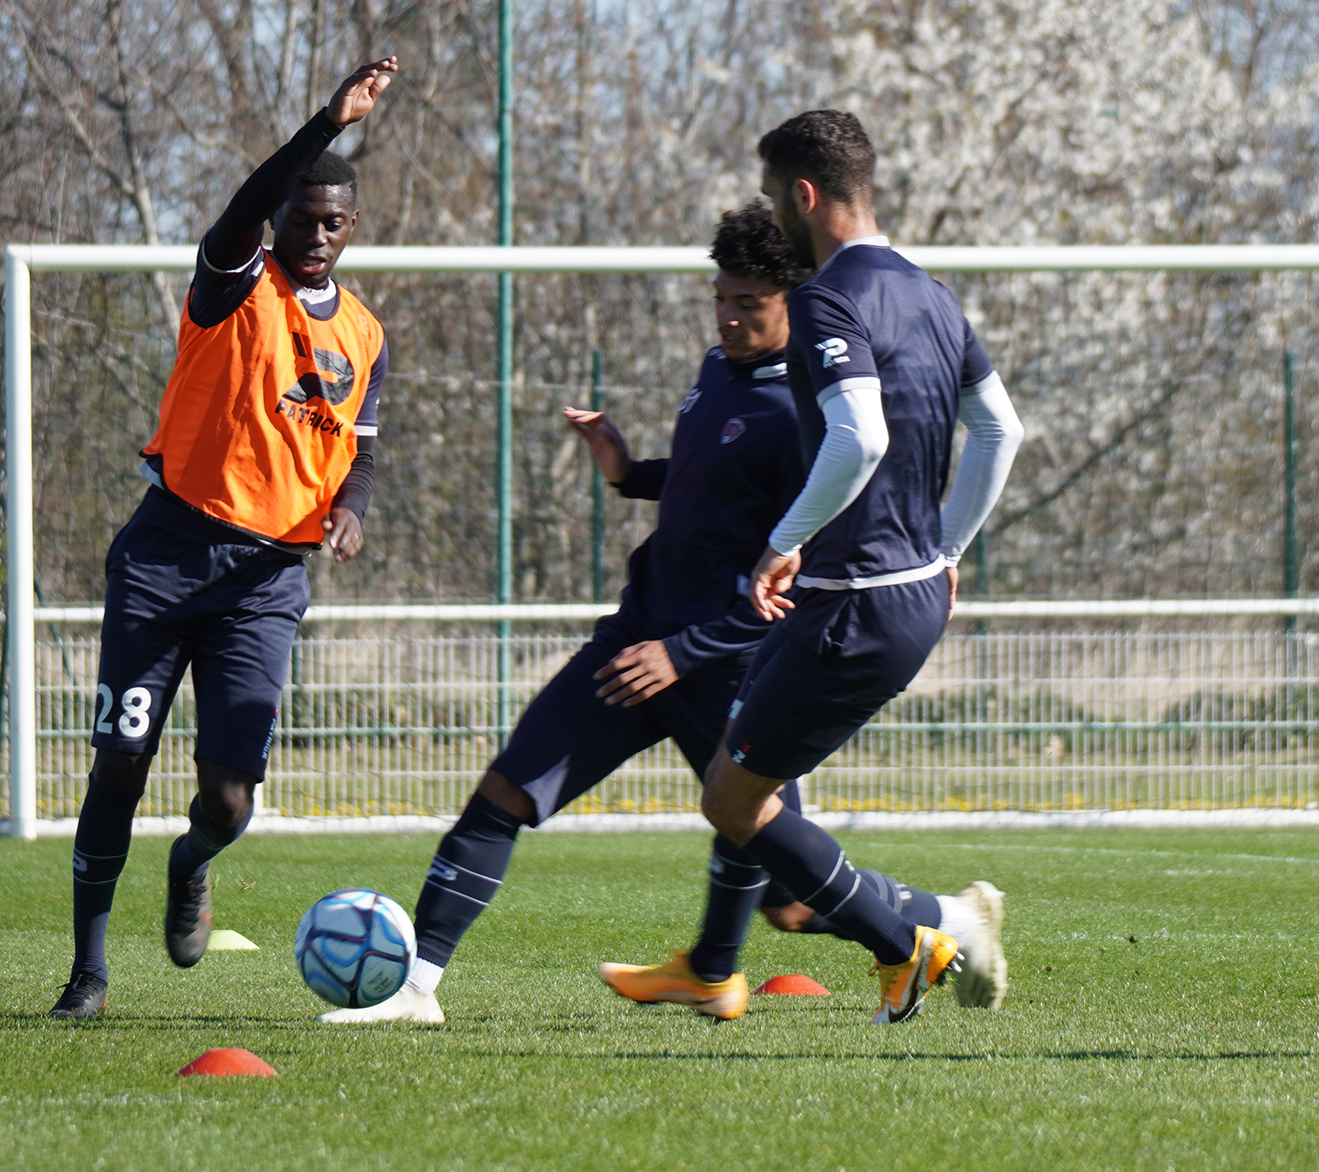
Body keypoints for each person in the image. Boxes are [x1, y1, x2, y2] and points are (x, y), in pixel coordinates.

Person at [319, 202, 996, 1025]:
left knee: (784, 895)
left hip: (725, 664)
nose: (730, 314)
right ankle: (416, 988)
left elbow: (794, 573)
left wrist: (686, 652)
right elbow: (710, 480)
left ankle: (935, 927)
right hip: (633, 640)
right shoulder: (718, 369)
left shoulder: (812, 415)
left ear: (798, 302)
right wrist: (627, 471)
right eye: (722, 296)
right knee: (506, 790)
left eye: (751, 302)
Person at [649, 109, 1022, 1026]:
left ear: (805, 196)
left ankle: (922, 934)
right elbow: (1000, 432)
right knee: (749, 785)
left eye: (775, 199)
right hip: (896, 596)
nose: (771, 218)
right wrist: (947, 549)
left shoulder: (826, 297)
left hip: (853, 603)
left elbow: (861, 435)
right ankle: (748, 956)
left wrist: (784, 539)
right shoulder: (933, 295)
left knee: (734, 800)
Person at [49, 57, 399, 1020]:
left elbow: (359, 455)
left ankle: (193, 861)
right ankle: (88, 972)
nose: (315, 234)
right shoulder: (232, 285)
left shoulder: (364, 337)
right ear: (278, 216)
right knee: (121, 756)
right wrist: (325, 126)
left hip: (266, 579)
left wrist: (351, 508)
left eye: (333, 221)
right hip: (167, 554)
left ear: (353, 228)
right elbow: (247, 207)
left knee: (233, 798)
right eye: (301, 216)